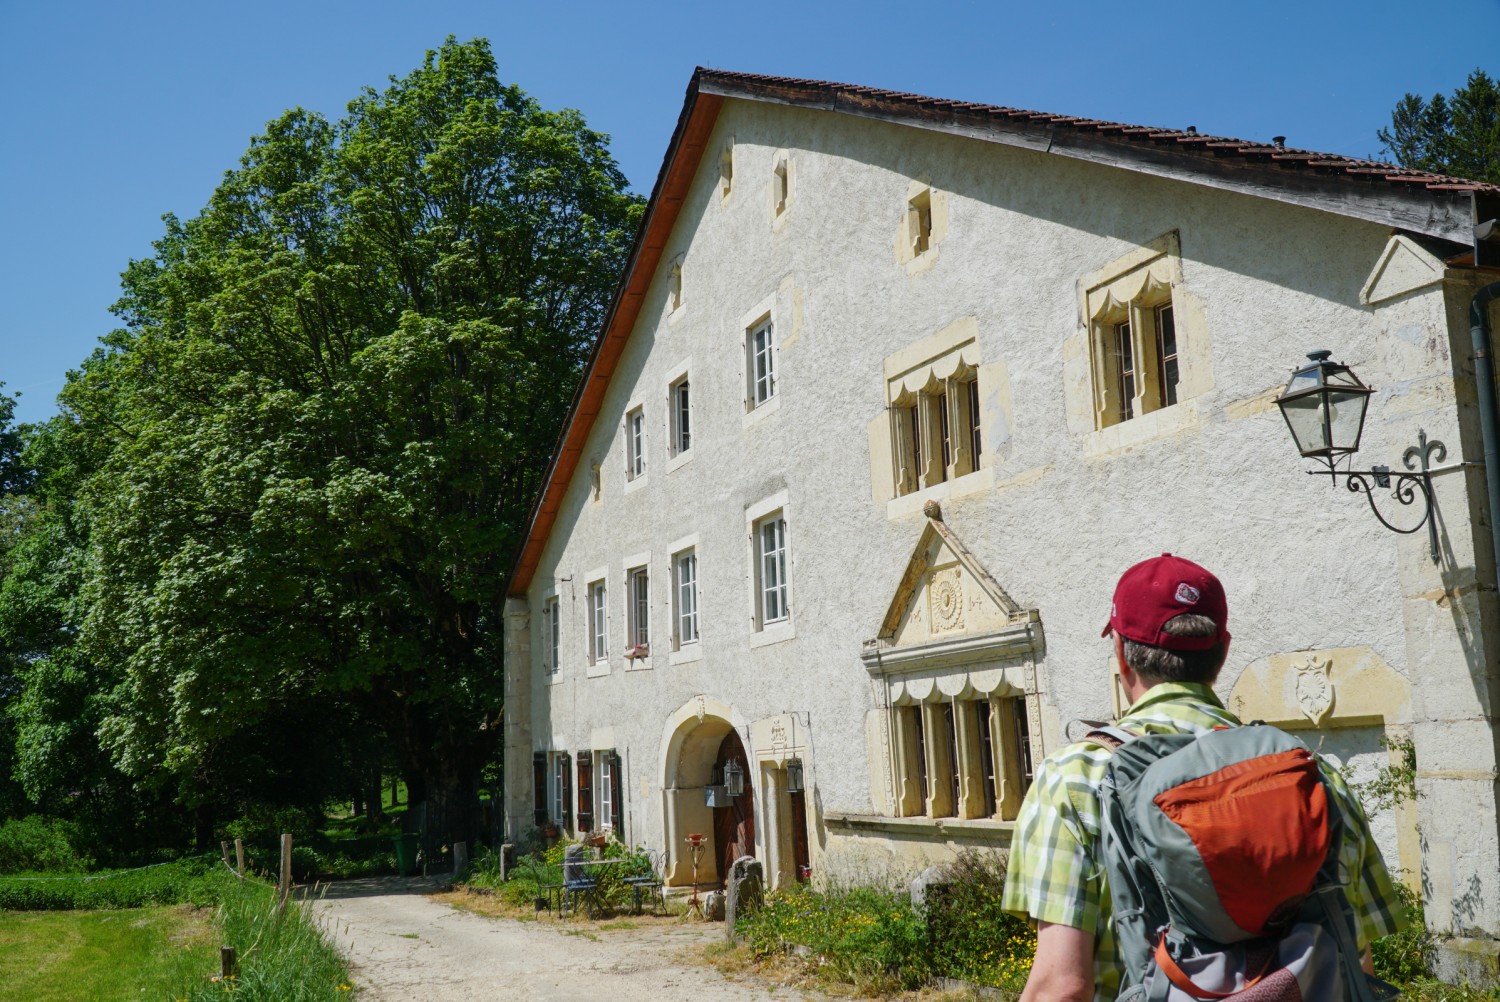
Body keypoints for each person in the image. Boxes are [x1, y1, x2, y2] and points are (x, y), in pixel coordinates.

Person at [1000, 553, 1403, 1002]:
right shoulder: (1314, 774)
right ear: (1223, 651)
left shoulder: (1075, 778)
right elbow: (1353, 963)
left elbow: (1062, 986)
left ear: (1121, 655)